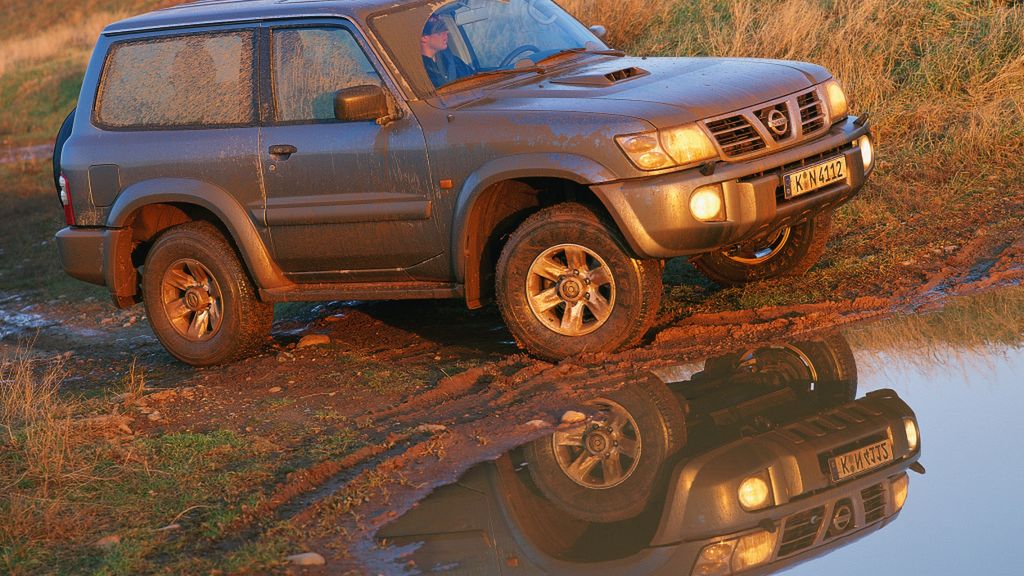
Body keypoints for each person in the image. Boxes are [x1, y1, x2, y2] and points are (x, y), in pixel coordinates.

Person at [421, 15, 474, 88]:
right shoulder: (419, 72)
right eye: (439, 32)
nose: (447, 34)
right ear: (424, 38)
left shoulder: (454, 61)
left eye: (446, 30)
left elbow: (475, 80)